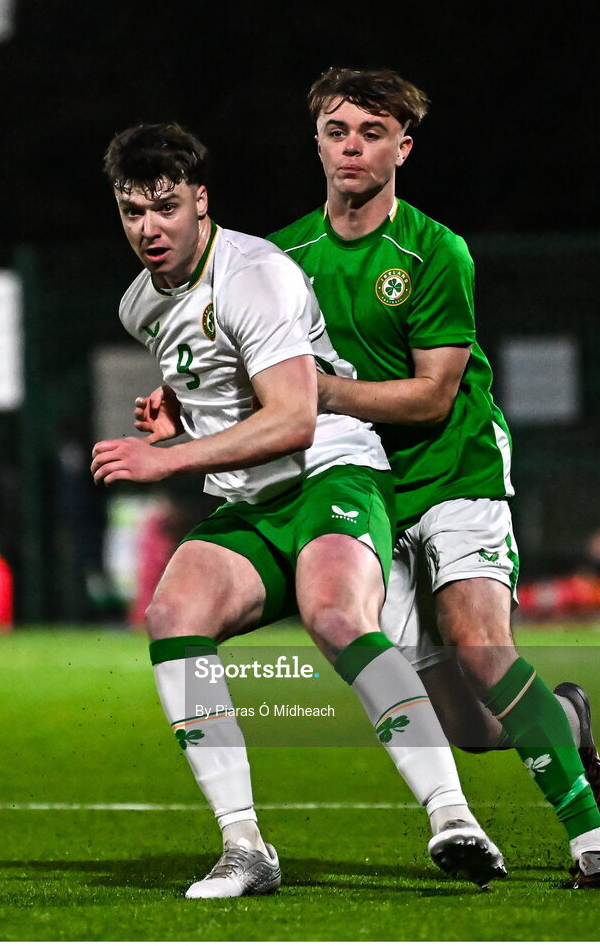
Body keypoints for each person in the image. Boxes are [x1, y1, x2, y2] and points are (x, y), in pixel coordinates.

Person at [93, 121, 506, 898]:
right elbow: (218, 373)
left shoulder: (255, 275)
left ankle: (453, 818)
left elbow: (294, 419)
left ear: (200, 201)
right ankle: (243, 846)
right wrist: (179, 410)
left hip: (330, 474)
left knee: (335, 614)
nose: (149, 228)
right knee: (172, 614)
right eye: (131, 211)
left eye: (165, 207)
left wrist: (166, 459)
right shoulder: (139, 305)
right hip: (252, 499)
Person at [266, 66, 600, 890]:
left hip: (453, 465)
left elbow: (432, 394)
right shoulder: (280, 259)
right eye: (336, 131)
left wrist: (315, 392)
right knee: (470, 728)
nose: (351, 147)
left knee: (480, 647)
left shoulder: (434, 251)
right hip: (363, 489)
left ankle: (595, 845)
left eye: (371, 133)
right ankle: (566, 720)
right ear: (315, 142)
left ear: (402, 147)